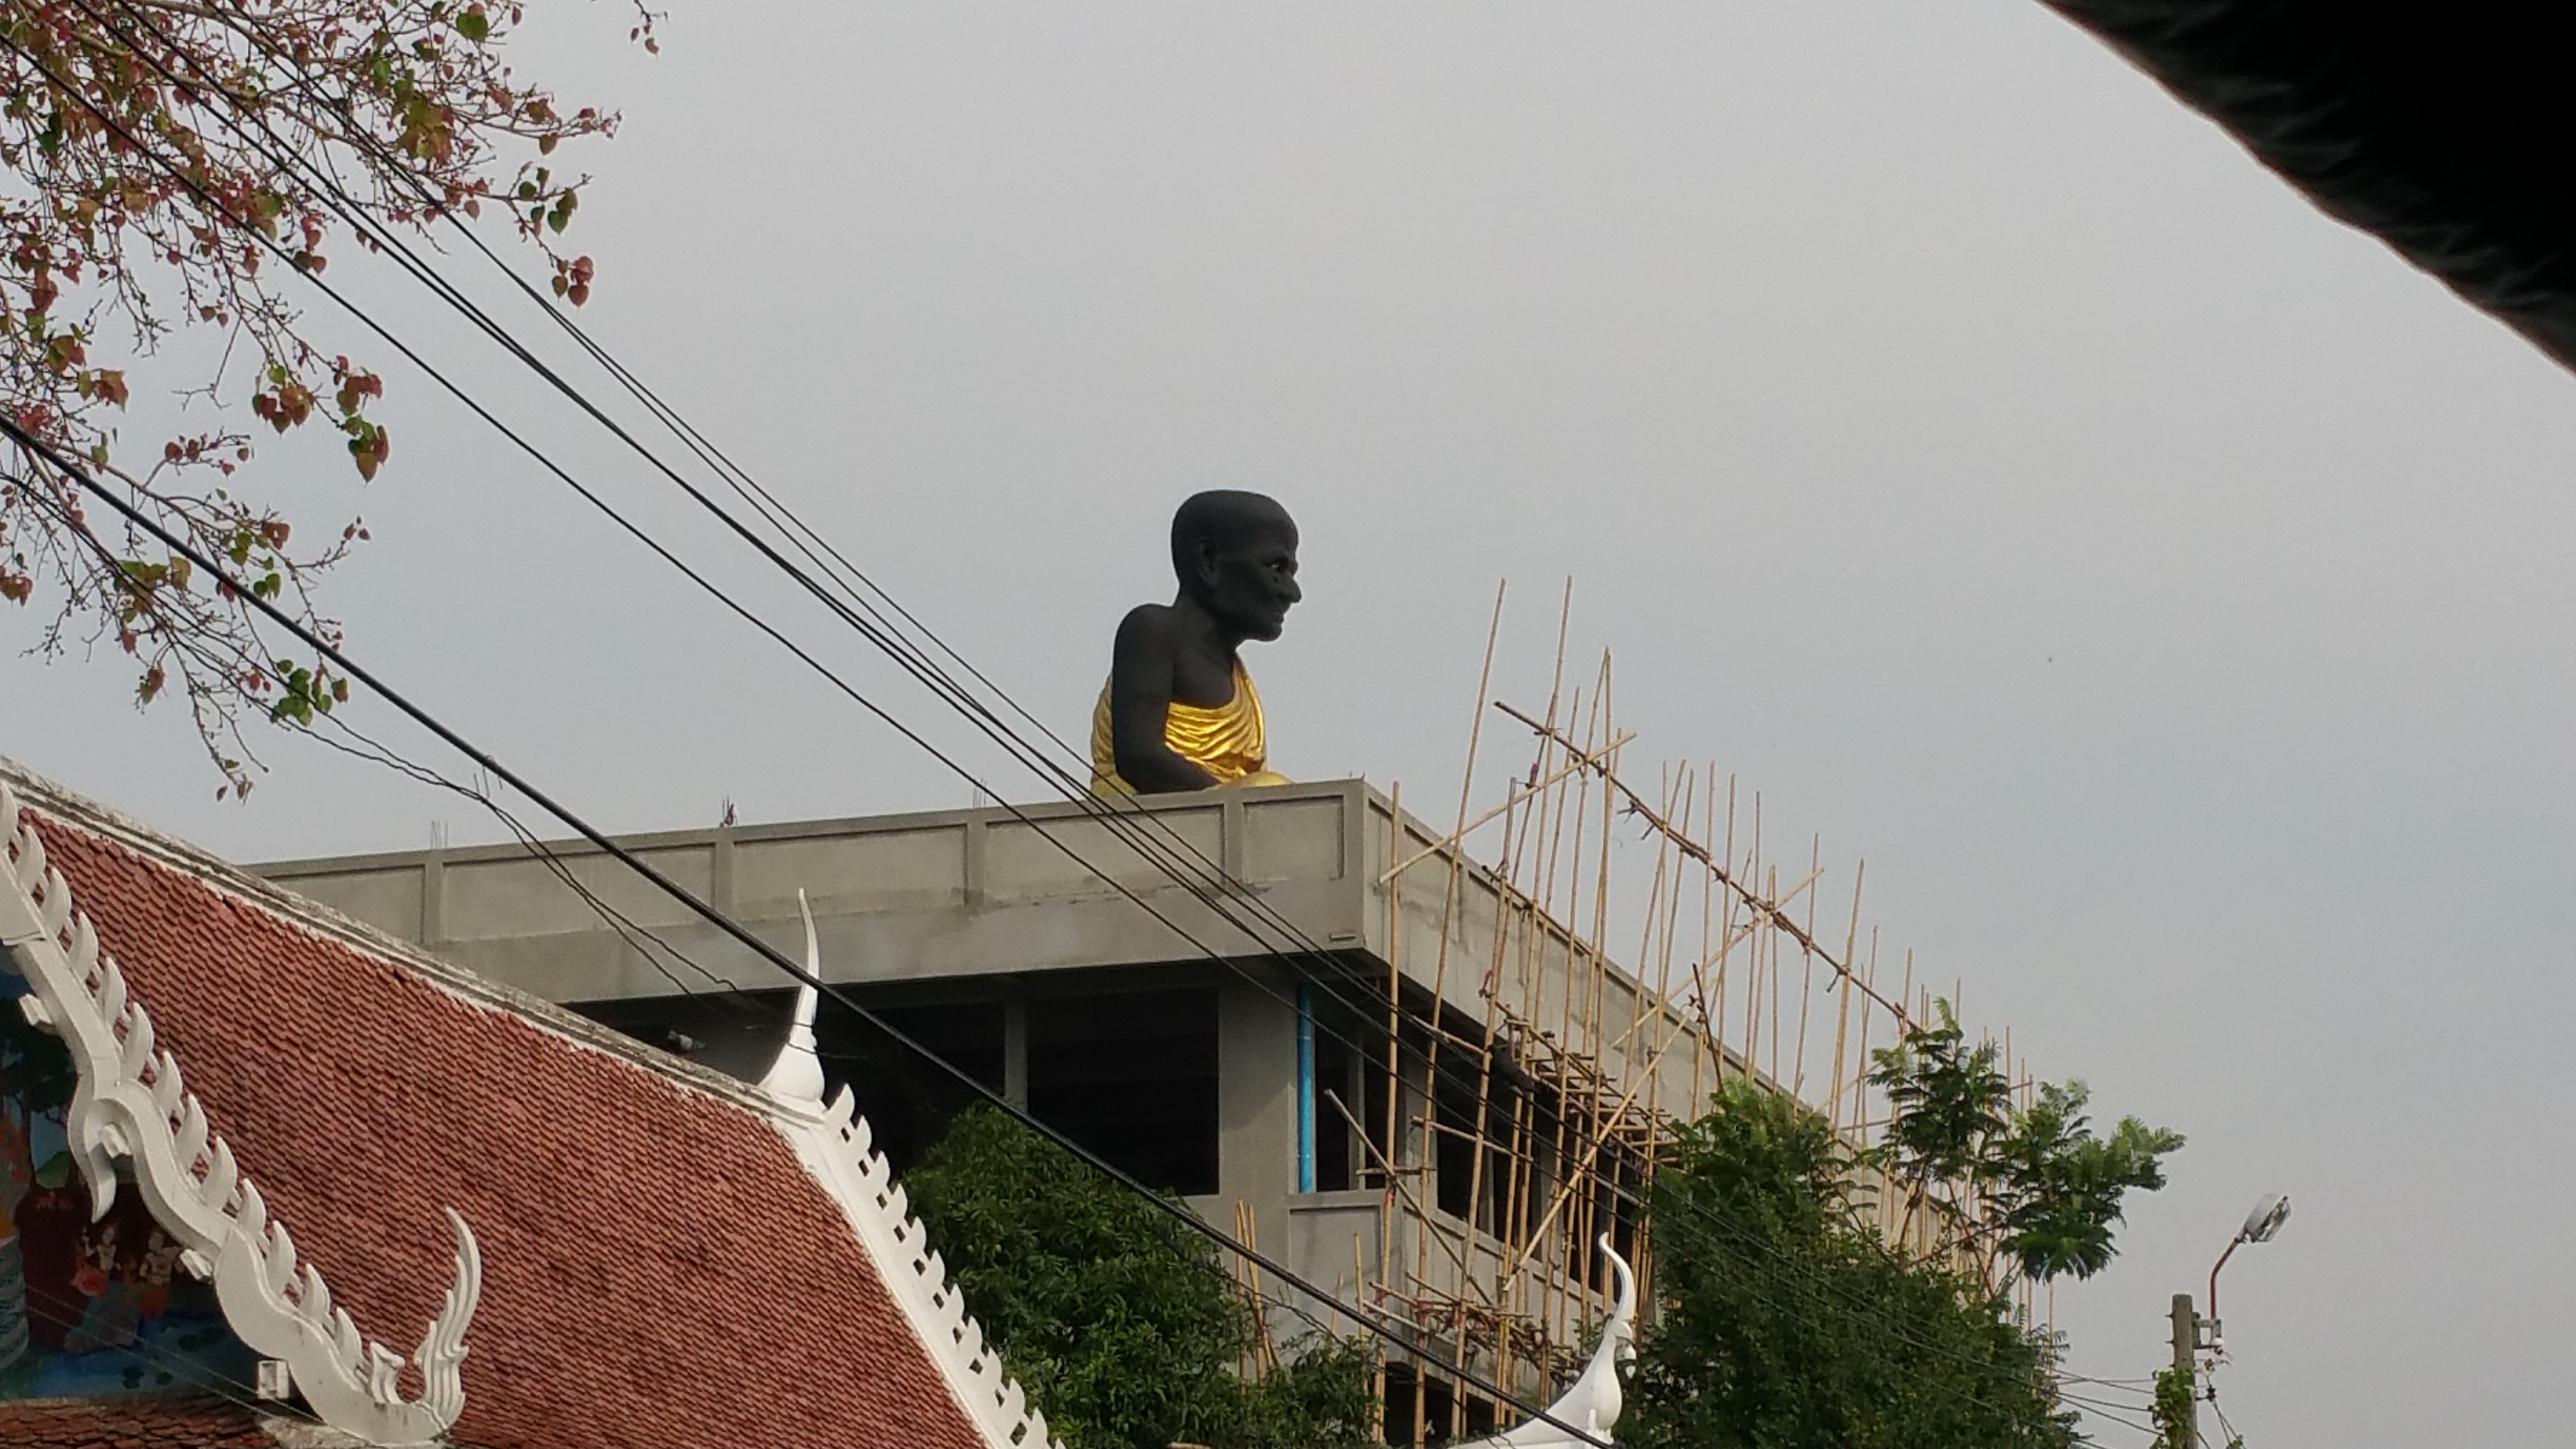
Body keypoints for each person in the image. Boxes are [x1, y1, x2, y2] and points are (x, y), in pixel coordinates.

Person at [1090, 490, 1301, 796]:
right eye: (1277, 568)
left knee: (1274, 793)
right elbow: (1138, 756)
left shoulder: (1238, 678)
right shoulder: (1152, 630)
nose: (1292, 593)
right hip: (1134, 814)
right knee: (1269, 789)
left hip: (1214, 818)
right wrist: (1235, 801)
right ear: (1209, 560)